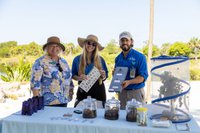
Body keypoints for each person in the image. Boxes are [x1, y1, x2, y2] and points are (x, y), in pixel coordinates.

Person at [30, 36, 74, 107]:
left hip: (64, 101)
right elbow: (35, 83)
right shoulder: (40, 62)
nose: (54, 48)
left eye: (57, 46)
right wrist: (36, 101)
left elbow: (69, 79)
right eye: (51, 46)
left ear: (60, 48)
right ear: (46, 48)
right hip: (47, 103)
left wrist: (70, 93)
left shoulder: (64, 62)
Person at [114, 31, 148, 109]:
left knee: (137, 117)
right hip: (122, 93)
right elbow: (117, 76)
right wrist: (115, 76)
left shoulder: (140, 57)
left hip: (136, 92)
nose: (124, 42)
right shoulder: (118, 59)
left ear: (131, 41)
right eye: (122, 40)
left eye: (127, 40)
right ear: (119, 43)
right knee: (122, 117)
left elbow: (142, 77)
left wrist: (129, 82)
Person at [72, 34, 108, 107]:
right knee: (80, 113)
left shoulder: (101, 60)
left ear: (96, 47)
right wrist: (79, 78)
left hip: (99, 91)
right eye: (89, 43)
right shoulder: (77, 59)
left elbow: (105, 76)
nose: (91, 46)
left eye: (94, 44)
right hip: (83, 89)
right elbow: (73, 75)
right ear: (85, 44)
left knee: (98, 115)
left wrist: (103, 75)